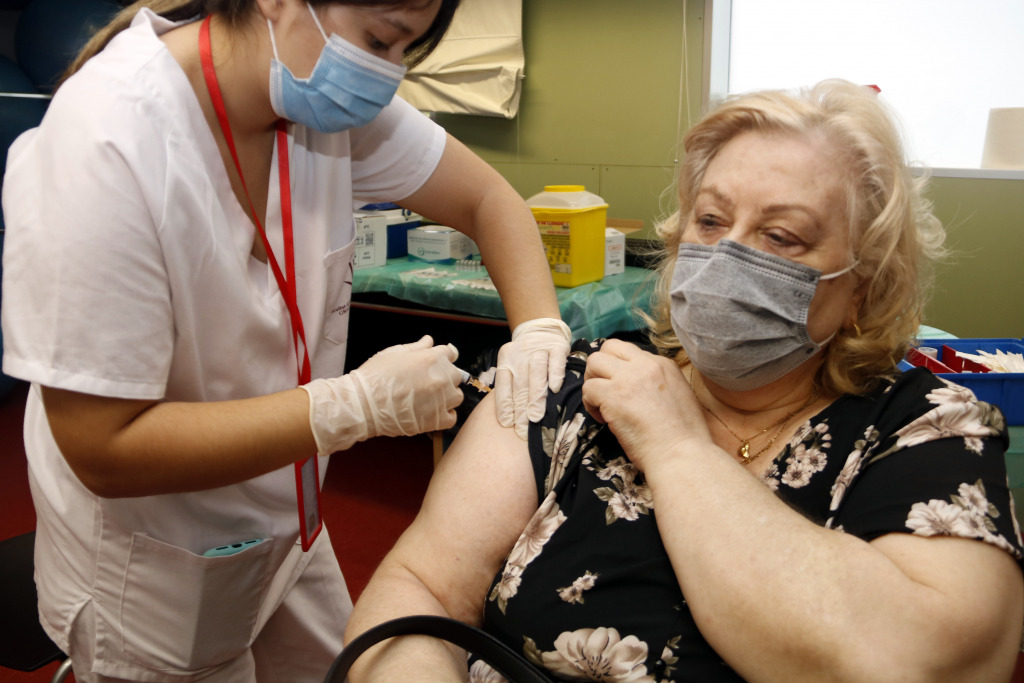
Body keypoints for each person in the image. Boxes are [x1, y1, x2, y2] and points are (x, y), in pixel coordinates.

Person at [343, 79, 1024, 682]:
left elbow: (923, 663)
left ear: (861, 291)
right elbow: (418, 591)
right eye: (712, 220)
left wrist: (677, 447)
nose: (728, 256)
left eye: (782, 237)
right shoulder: (575, 386)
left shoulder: (927, 428)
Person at [0, 0, 571, 680]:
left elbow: (490, 201)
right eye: (380, 41)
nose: (386, 78)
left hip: (289, 532)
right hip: (155, 561)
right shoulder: (107, 139)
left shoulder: (312, 100)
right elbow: (102, 446)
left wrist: (538, 329)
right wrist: (350, 407)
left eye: (404, 52)